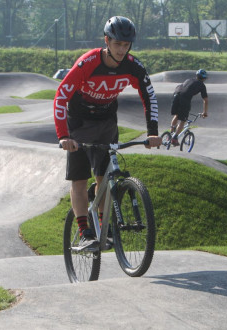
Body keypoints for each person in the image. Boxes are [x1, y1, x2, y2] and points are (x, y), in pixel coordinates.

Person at [54, 16, 162, 248]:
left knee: (104, 177)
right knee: (80, 180)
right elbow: (61, 94)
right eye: (117, 44)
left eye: (126, 45)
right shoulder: (88, 62)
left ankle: (105, 229)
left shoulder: (133, 66)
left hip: (106, 122)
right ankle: (84, 232)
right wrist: (64, 136)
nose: (122, 50)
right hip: (79, 124)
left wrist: (152, 132)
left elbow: (149, 96)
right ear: (106, 41)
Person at [169, 69, 209, 146]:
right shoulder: (202, 85)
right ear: (204, 78)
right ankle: (174, 138)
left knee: (177, 115)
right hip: (184, 98)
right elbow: (205, 100)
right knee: (183, 120)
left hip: (176, 95)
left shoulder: (189, 80)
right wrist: (205, 112)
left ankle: (170, 134)